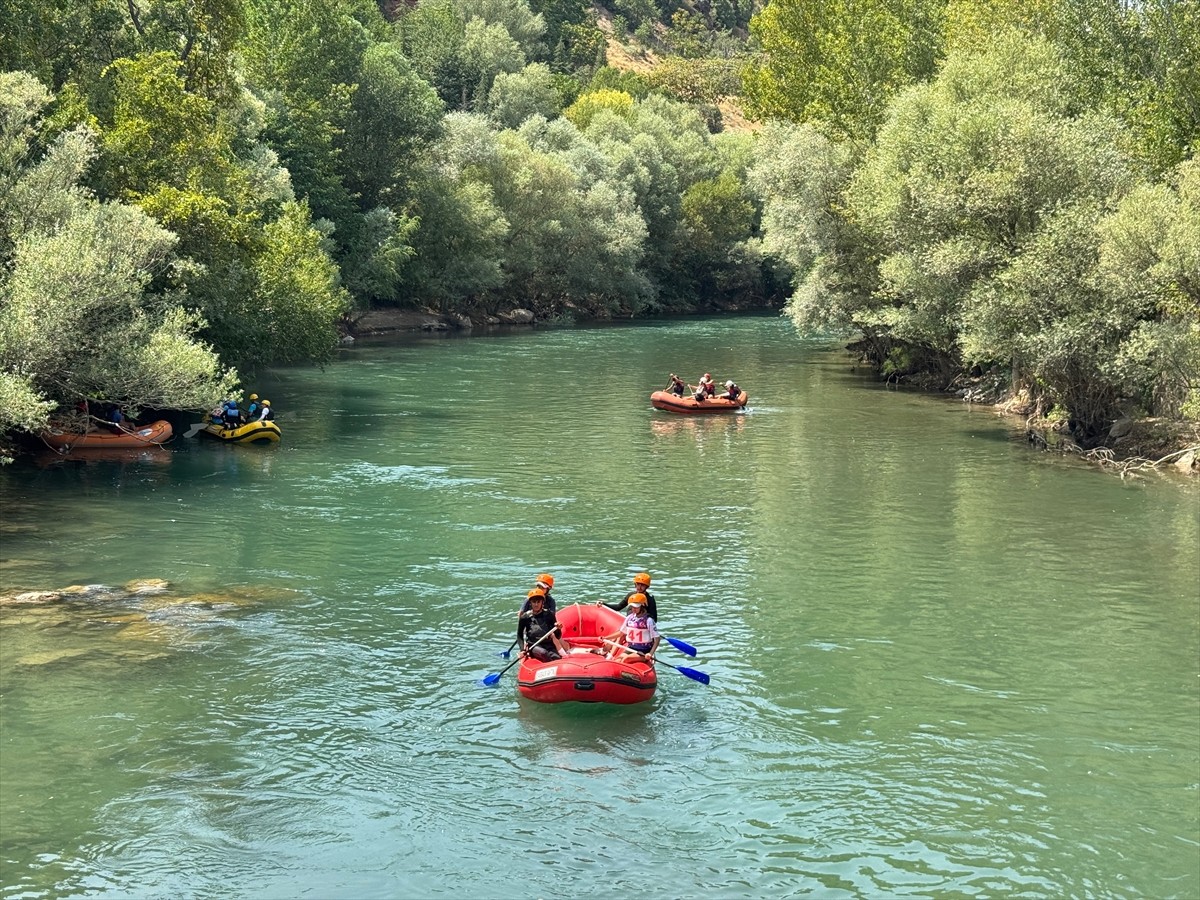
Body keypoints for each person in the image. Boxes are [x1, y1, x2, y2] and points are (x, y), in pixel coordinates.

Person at [601, 593, 659, 663]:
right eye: (632, 607)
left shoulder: (649, 620)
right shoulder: (629, 618)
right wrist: (605, 638)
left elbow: (657, 639)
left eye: (636, 607)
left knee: (626, 659)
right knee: (617, 660)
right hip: (631, 648)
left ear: (643, 606)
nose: (633, 609)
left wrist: (650, 653)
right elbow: (621, 633)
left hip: (644, 651)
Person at [517, 589, 570, 662]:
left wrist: (558, 628)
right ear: (530, 603)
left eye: (538, 602)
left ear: (542, 602)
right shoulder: (525, 617)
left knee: (556, 658)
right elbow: (519, 635)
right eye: (534, 602)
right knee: (543, 653)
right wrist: (522, 650)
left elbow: (557, 635)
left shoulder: (549, 615)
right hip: (534, 646)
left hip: (548, 645)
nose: (536, 604)